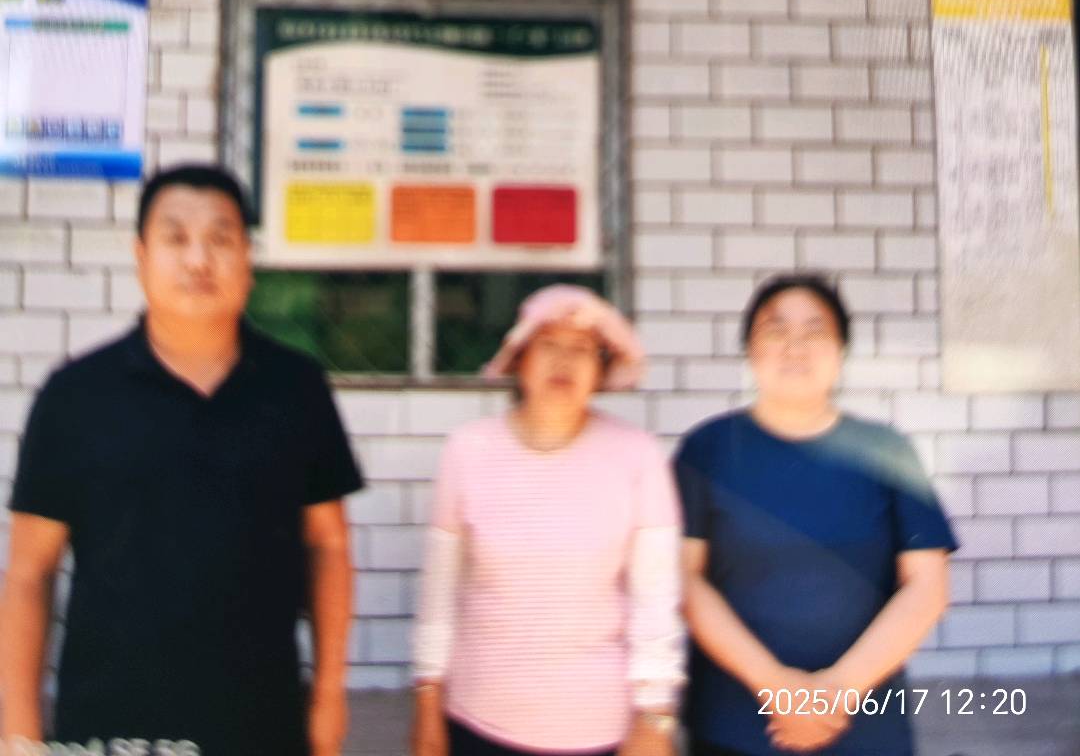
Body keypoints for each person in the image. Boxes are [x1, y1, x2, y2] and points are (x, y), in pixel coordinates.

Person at [0, 163, 365, 756]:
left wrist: (329, 693)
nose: (199, 259)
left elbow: (328, 545)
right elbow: (28, 573)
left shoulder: (296, 389)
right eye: (175, 238)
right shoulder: (75, 396)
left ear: (248, 259)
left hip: (263, 723)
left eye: (220, 239)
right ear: (141, 257)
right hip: (111, 726)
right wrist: (18, 731)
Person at [674, 273, 958, 756]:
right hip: (733, 725)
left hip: (863, 727)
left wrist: (837, 691)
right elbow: (685, 581)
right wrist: (775, 685)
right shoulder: (707, 450)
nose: (795, 347)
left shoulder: (887, 451)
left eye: (815, 331)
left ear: (841, 351)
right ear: (749, 350)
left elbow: (927, 588)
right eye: (776, 330)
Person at [411, 283, 685, 756]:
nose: (564, 361)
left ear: (601, 368)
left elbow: (655, 599)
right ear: (520, 359)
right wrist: (426, 706)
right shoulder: (468, 450)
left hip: (601, 732)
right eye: (548, 344)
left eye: (582, 349)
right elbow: (438, 595)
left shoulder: (637, 455)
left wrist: (655, 717)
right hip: (478, 725)